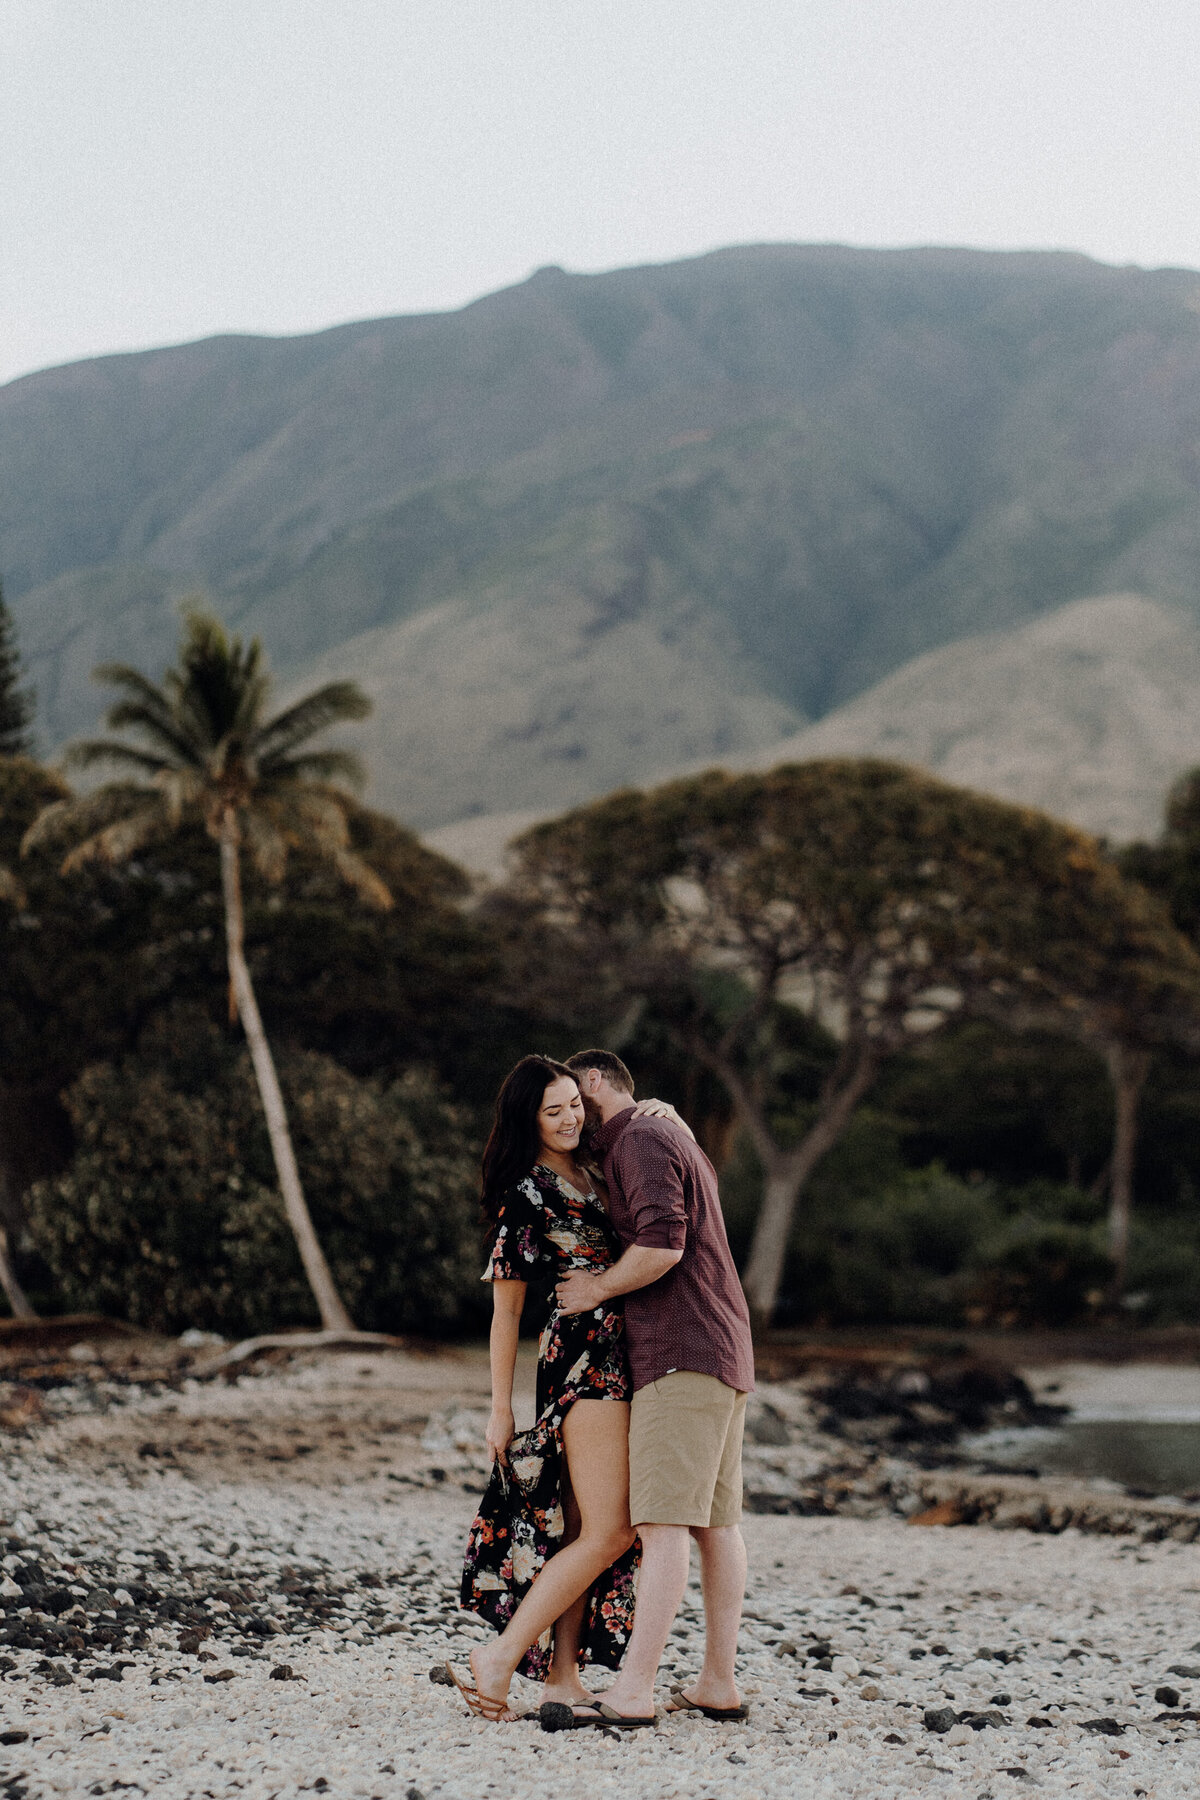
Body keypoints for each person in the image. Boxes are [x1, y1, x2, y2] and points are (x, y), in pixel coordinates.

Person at [450, 1055, 689, 1723]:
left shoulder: (595, 1165)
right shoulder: (526, 1193)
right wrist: (499, 1408)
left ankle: (561, 1679)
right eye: (552, 1110)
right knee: (612, 1532)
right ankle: (498, 1659)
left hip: (627, 1353)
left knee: (582, 1528)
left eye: (572, 1105)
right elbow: (506, 1310)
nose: (568, 1117)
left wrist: (661, 1110)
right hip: (585, 1365)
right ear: (528, 1120)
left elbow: (652, 1156)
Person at [554, 1048, 755, 1727]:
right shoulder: (659, 1131)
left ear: (593, 1082)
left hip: (680, 1352)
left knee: (661, 1524)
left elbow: (665, 1244)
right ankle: (717, 1684)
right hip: (720, 1346)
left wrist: (597, 1288)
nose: (569, 1115)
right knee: (714, 1525)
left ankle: (634, 1691)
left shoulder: (640, 1135)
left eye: (572, 1098)